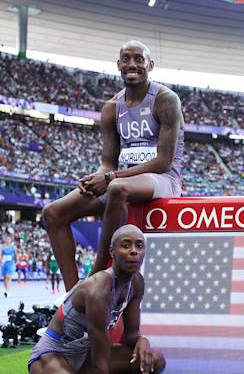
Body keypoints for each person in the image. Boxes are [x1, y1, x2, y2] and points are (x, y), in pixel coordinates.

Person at [42, 41, 185, 291]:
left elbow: (163, 161)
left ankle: (97, 274)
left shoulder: (165, 100)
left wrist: (109, 178)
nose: (132, 64)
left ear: (150, 65)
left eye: (139, 59)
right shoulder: (111, 108)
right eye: (126, 59)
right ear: (118, 64)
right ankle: (73, 294)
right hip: (122, 178)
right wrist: (95, 179)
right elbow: (107, 162)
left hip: (162, 179)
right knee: (52, 212)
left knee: (118, 188)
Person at [25, 225, 165, 374]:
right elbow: (100, 363)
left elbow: (131, 336)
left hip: (83, 357)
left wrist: (141, 340)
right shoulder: (99, 288)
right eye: (125, 245)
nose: (133, 251)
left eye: (139, 246)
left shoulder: (136, 283)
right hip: (52, 357)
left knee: (154, 361)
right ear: (112, 252)